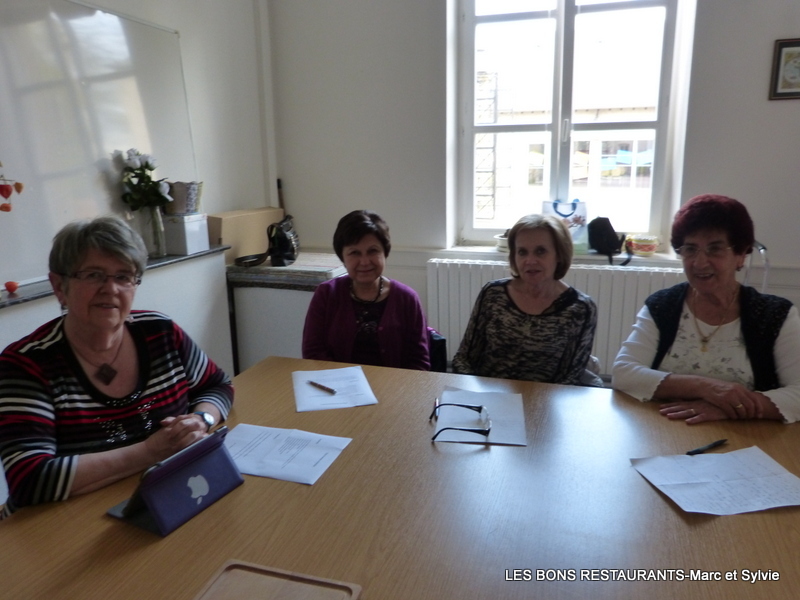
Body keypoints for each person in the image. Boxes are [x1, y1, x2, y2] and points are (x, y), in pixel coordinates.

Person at [0, 216, 233, 517]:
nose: (110, 289)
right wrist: (150, 452)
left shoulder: (160, 333)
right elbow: (29, 479)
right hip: (62, 525)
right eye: (93, 275)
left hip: (162, 499)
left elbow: (218, 385)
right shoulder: (25, 364)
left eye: (124, 276)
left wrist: (201, 419)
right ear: (59, 286)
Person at [612, 194, 800, 424]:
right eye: (690, 249)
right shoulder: (662, 306)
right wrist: (705, 388)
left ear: (740, 255)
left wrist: (731, 408)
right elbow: (624, 372)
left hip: (748, 435)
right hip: (664, 428)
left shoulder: (776, 315)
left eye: (715, 249)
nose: (699, 263)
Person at [452, 214, 599, 385]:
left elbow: (571, 378)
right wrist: (475, 394)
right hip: (488, 397)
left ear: (559, 254)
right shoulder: (493, 294)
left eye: (540, 251)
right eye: (522, 252)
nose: (530, 261)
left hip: (546, 399)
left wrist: (533, 401)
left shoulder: (580, 308)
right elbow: (463, 359)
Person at [302, 210, 430, 370]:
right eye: (354, 253)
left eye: (373, 251)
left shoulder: (407, 298)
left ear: (385, 253)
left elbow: (419, 361)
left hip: (393, 384)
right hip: (337, 383)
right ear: (343, 258)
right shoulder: (326, 294)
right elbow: (313, 353)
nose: (364, 261)